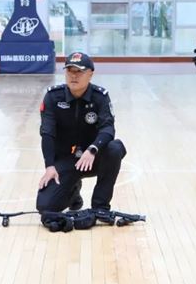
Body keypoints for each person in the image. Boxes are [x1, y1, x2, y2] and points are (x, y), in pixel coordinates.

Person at [36, 51, 127, 215]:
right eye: (70, 71)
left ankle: (100, 206)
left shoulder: (100, 97)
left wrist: (93, 149)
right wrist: (49, 166)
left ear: (90, 74)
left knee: (115, 148)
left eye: (79, 71)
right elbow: (47, 133)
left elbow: (108, 129)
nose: (74, 76)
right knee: (45, 207)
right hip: (66, 159)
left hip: (93, 158)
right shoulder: (53, 97)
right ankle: (73, 193)